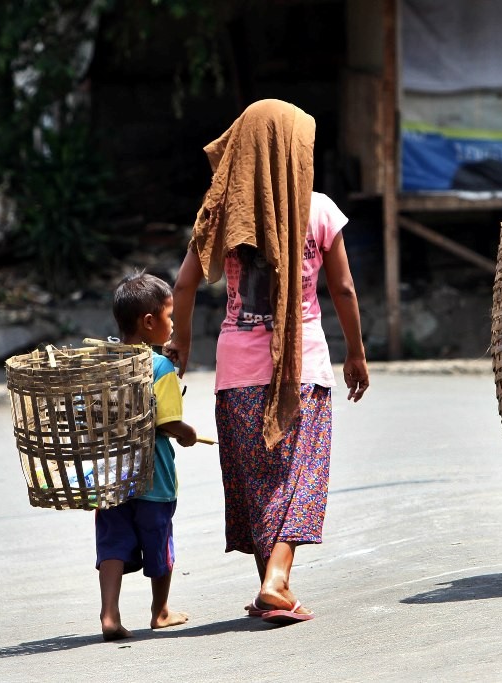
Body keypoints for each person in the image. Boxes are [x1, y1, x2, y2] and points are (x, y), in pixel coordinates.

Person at [164, 99, 369, 625]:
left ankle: (268, 588)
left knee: (258, 480)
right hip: (304, 367)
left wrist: (182, 345)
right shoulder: (319, 209)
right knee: (300, 475)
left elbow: (185, 283)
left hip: (236, 370)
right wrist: (357, 353)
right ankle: (277, 582)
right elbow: (342, 288)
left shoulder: (224, 209)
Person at [96, 272, 198, 640]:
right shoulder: (160, 368)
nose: (173, 325)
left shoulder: (104, 363)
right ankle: (160, 611)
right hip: (153, 480)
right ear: (149, 322)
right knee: (160, 543)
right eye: (169, 317)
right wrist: (187, 434)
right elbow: (169, 421)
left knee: (112, 544)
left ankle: (109, 613)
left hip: (111, 476)